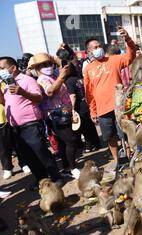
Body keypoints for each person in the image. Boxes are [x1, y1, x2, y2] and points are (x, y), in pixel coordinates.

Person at [0, 56, 62, 189]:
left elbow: (39, 98)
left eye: (2, 68)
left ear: (13, 68)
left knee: (41, 152)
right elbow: (7, 103)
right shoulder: (6, 84)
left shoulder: (26, 80)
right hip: (16, 127)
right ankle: (41, 180)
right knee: (29, 156)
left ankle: (56, 178)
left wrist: (22, 92)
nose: (0, 71)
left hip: (31, 124)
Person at [84, 27, 137, 172]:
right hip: (102, 110)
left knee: (124, 135)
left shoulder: (114, 60)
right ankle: (116, 160)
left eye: (100, 46)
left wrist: (128, 39)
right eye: (95, 47)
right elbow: (89, 93)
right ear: (89, 52)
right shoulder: (88, 69)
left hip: (119, 107)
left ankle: (130, 158)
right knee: (110, 137)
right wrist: (93, 111)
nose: (99, 48)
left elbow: (131, 56)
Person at [30, 53, 81, 179]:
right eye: (43, 65)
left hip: (65, 111)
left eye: (48, 64)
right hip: (55, 114)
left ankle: (67, 167)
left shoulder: (54, 75)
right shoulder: (42, 79)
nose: (47, 66)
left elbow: (68, 67)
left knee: (64, 142)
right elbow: (51, 91)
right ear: (37, 68)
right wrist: (62, 76)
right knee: (71, 140)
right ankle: (73, 167)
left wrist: (56, 60)